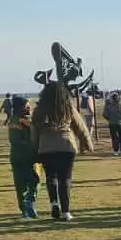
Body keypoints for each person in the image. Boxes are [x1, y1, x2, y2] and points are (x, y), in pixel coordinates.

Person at [31, 79, 93, 221]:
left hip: (46, 147)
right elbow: (80, 126)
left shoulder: (39, 110)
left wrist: (35, 150)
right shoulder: (67, 107)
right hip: (66, 146)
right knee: (65, 179)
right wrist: (87, 143)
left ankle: (54, 203)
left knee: (51, 177)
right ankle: (66, 211)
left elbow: (34, 132)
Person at [5, 95, 39, 219]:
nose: (29, 107)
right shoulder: (25, 121)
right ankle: (29, 200)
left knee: (20, 185)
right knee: (34, 181)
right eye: (27, 105)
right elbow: (35, 133)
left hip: (15, 156)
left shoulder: (12, 120)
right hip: (28, 156)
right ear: (21, 107)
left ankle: (24, 210)